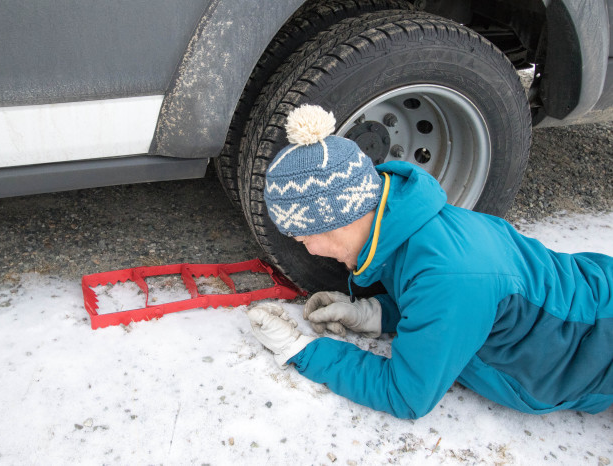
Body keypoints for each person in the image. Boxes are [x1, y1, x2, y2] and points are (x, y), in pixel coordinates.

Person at [246, 104, 613, 419]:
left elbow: (406, 395)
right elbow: (441, 307)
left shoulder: (450, 276)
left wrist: (301, 349)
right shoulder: (412, 226)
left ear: (338, 218)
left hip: (591, 352)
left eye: (307, 238)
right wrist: (375, 313)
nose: (309, 251)